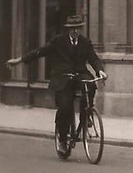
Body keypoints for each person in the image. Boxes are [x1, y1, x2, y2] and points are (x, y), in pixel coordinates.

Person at [6, 14, 106, 148]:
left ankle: (87, 114)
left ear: (81, 29)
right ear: (68, 29)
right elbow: (40, 52)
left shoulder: (85, 42)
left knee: (91, 85)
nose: (75, 31)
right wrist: (19, 60)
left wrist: (100, 70)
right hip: (63, 78)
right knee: (65, 107)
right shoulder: (58, 41)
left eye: (78, 28)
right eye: (72, 28)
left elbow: (93, 59)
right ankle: (63, 139)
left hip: (79, 75)